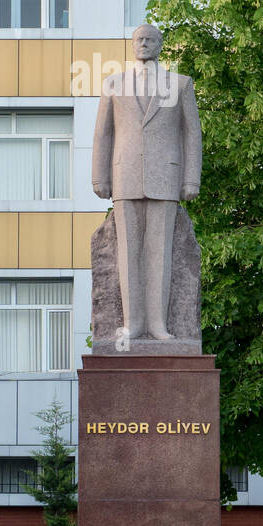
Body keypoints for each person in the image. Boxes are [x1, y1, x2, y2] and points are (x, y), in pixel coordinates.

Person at [91, 24, 201, 342]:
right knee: (127, 252)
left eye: (150, 39)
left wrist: (191, 178)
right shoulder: (113, 84)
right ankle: (133, 324)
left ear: (160, 45)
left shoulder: (180, 84)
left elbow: (191, 133)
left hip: (166, 176)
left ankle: (158, 325)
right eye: (138, 39)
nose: (143, 43)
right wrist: (100, 176)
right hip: (124, 175)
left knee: (161, 252)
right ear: (131, 44)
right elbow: (104, 133)